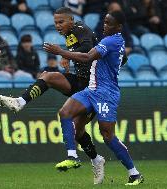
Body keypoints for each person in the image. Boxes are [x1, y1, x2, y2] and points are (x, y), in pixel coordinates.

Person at [0, 7, 105, 185]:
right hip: (80, 81)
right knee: (47, 76)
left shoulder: (81, 30)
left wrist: (62, 53)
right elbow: (79, 53)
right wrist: (68, 58)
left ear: (71, 20)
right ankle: (19, 102)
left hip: (95, 87)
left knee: (78, 131)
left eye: (61, 22)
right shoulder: (70, 34)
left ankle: (96, 160)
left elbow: (86, 53)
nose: (58, 26)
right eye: (55, 23)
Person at [44, 10, 143, 186]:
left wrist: (61, 52)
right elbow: (120, 60)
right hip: (91, 90)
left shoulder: (111, 41)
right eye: (104, 22)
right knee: (65, 113)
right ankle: (72, 156)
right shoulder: (114, 41)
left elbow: (87, 57)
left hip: (106, 93)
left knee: (107, 135)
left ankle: (134, 173)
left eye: (109, 23)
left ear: (118, 27)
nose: (105, 26)